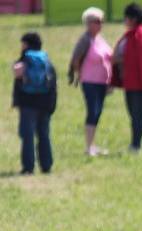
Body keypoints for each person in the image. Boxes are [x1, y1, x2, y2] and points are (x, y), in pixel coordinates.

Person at [68, 7, 113, 157]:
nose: (101, 24)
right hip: (90, 81)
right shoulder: (85, 40)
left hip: (102, 82)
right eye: (97, 21)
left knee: (98, 112)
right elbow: (75, 59)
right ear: (88, 23)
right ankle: (89, 147)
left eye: (102, 21)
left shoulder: (100, 39)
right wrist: (79, 73)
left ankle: (93, 145)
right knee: (92, 111)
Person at [112, 3, 142, 153]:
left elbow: (141, 59)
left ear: (133, 19)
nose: (125, 20)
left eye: (127, 18)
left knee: (137, 114)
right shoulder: (130, 34)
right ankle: (135, 143)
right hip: (129, 81)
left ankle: (136, 145)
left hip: (137, 82)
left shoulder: (141, 34)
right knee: (133, 114)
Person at [12, 32, 57, 175]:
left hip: (27, 104)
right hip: (45, 103)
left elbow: (17, 81)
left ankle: (28, 167)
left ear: (26, 44)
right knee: (44, 134)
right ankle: (46, 165)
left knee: (27, 135)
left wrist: (16, 102)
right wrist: (52, 104)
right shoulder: (46, 60)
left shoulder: (24, 60)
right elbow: (53, 83)